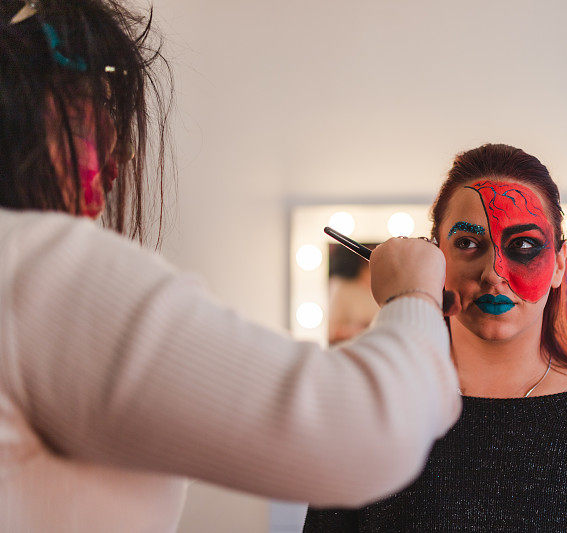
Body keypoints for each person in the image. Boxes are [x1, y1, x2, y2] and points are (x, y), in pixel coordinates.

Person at [0, 1, 461, 531]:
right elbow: (370, 431)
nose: (119, 159)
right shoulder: (39, 272)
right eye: (98, 108)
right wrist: (414, 297)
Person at [304, 144, 567, 532]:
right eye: (468, 244)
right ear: (434, 258)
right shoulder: (376, 415)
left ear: (559, 265)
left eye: (523, 245)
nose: (493, 273)